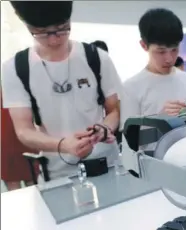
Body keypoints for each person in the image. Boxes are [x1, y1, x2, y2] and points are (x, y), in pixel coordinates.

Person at [1, 1, 123, 180]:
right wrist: (63, 145)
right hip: (57, 174)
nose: (53, 39)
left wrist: (104, 128)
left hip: (107, 164)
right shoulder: (15, 68)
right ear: (25, 24)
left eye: (62, 29)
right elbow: (23, 130)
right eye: (42, 33)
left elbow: (114, 110)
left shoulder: (96, 57)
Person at [122, 8, 186, 149]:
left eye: (174, 49)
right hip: (154, 164)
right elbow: (130, 142)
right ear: (143, 45)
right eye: (160, 52)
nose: (169, 59)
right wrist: (160, 121)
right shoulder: (131, 87)